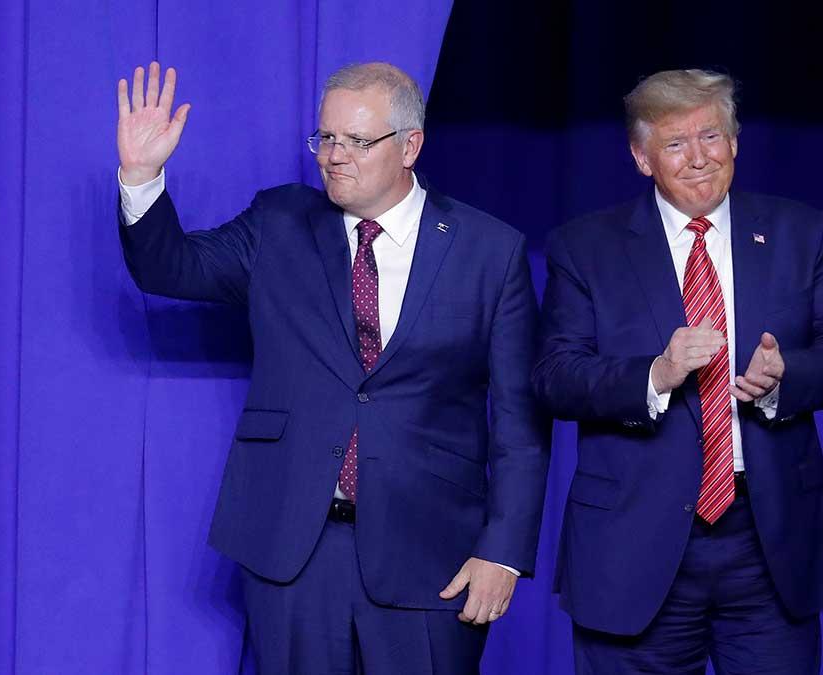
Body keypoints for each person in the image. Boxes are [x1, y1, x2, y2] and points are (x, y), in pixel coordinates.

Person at [115, 60, 550, 675]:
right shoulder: (279, 223)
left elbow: (518, 422)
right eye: (326, 138)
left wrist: (503, 553)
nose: (333, 156)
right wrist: (141, 175)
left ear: (410, 146)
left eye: (357, 141)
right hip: (293, 549)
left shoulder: (489, 249)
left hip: (432, 556)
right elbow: (171, 268)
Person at [532, 68, 823, 675]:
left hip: (767, 546)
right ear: (641, 158)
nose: (698, 159)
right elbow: (555, 374)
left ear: (735, 142)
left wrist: (783, 377)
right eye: (674, 144)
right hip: (633, 546)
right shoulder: (584, 247)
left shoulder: (799, 232)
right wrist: (654, 376)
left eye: (711, 137)